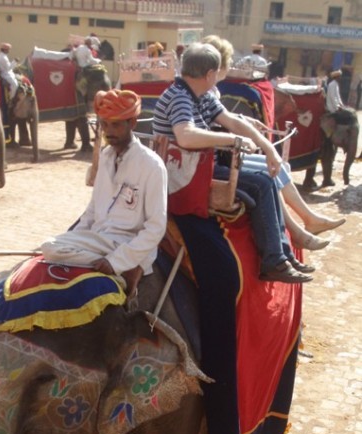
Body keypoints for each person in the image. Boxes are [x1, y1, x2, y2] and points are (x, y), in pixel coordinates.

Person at [153, 42, 313, 283]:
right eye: (217, 72)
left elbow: (233, 121)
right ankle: (274, 260)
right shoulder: (180, 97)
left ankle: (281, 255)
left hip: (201, 166)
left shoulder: (201, 95)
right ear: (209, 74)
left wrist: (268, 148)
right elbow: (185, 135)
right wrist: (233, 140)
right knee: (261, 184)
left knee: (267, 178)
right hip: (186, 173)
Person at [203, 34, 345, 249]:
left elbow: (225, 117)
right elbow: (208, 126)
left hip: (223, 153)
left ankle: (307, 218)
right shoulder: (201, 92)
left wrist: (251, 130)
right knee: (268, 175)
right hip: (214, 159)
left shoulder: (211, 91)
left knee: (278, 166)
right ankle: (293, 233)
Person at [41, 89, 168, 296]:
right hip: (99, 239)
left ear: (132, 124)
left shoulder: (152, 165)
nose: (109, 132)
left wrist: (115, 261)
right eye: (104, 124)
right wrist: (74, 237)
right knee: (50, 248)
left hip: (126, 242)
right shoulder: (106, 156)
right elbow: (92, 211)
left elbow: (155, 228)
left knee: (49, 247)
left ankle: (129, 268)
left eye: (116, 125)